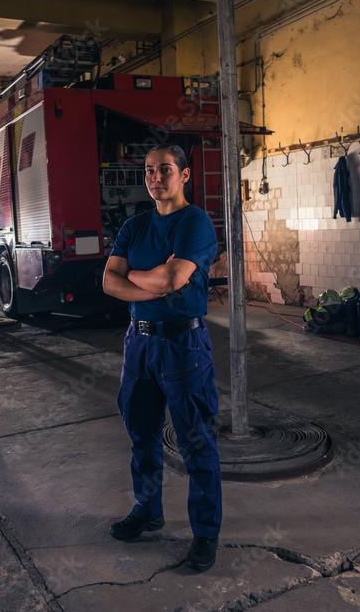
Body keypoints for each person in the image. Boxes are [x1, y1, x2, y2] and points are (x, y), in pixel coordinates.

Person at [102, 142, 222, 573]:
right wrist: (151, 281)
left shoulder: (196, 223)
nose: (155, 178)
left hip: (182, 347)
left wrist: (142, 276)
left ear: (184, 175)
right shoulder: (135, 226)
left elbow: (174, 276)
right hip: (139, 344)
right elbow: (108, 283)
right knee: (143, 437)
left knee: (196, 442)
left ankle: (206, 533)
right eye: (149, 171)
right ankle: (147, 510)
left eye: (164, 170)